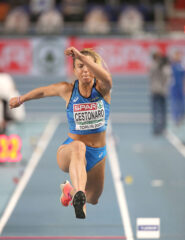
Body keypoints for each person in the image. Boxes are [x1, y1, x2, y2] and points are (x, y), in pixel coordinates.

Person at [9, 47, 112, 219]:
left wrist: (81, 57)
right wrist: (21, 99)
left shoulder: (103, 89)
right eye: (80, 66)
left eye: (89, 66)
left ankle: (69, 190)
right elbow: (43, 91)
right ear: (74, 70)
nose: (85, 70)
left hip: (98, 153)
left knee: (93, 198)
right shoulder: (67, 90)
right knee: (79, 147)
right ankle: (78, 193)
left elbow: (107, 77)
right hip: (70, 151)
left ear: (96, 69)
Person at [149, 51, 171, 135]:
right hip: (162, 90)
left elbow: (150, 76)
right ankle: (163, 127)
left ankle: (156, 128)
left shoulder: (152, 66)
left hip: (154, 90)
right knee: (162, 110)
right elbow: (167, 76)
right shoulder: (163, 66)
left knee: (155, 110)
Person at [169, 51, 185, 125]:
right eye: (176, 56)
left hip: (180, 88)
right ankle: (175, 118)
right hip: (174, 88)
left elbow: (183, 78)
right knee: (175, 103)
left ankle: (181, 117)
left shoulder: (181, 67)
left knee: (181, 103)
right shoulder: (171, 66)